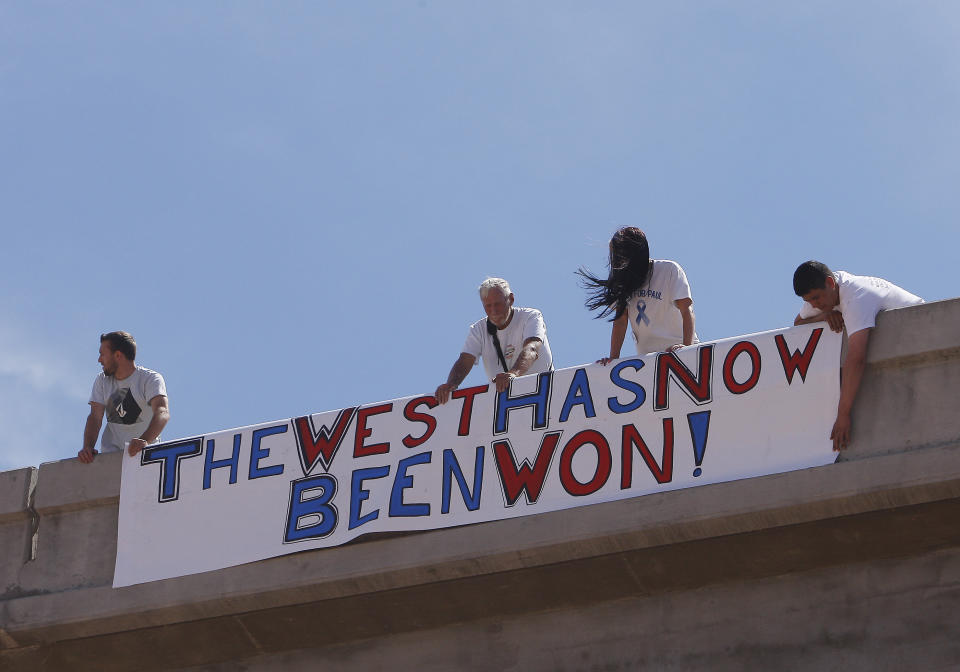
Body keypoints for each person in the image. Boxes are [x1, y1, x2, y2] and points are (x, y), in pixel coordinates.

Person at [792, 260, 924, 451]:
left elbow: (856, 358)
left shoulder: (856, 297)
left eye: (816, 298)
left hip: (918, 331)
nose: (814, 305)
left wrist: (843, 415)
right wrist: (825, 316)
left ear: (830, 283)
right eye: (808, 301)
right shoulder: (826, 293)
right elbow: (798, 324)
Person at [578, 226, 697, 363]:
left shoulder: (668, 270)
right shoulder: (623, 283)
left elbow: (687, 310)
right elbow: (621, 321)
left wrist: (687, 349)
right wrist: (613, 359)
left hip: (681, 352)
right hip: (650, 361)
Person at [435, 278, 554, 403]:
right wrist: (450, 385)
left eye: (498, 304)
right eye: (488, 306)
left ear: (511, 299)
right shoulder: (478, 329)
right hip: (507, 401)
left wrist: (514, 374)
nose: (494, 311)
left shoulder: (530, 316)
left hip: (545, 394)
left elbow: (532, 347)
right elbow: (465, 360)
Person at [78, 331, 170, 463]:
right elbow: (95, 417)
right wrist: (88, 447)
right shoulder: (102, 380)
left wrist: (144, 440)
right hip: (112, 459)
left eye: (102, 354)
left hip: (146, 457)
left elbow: (162, 412)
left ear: (117, 355)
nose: (99, 360)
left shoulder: (150, 379)